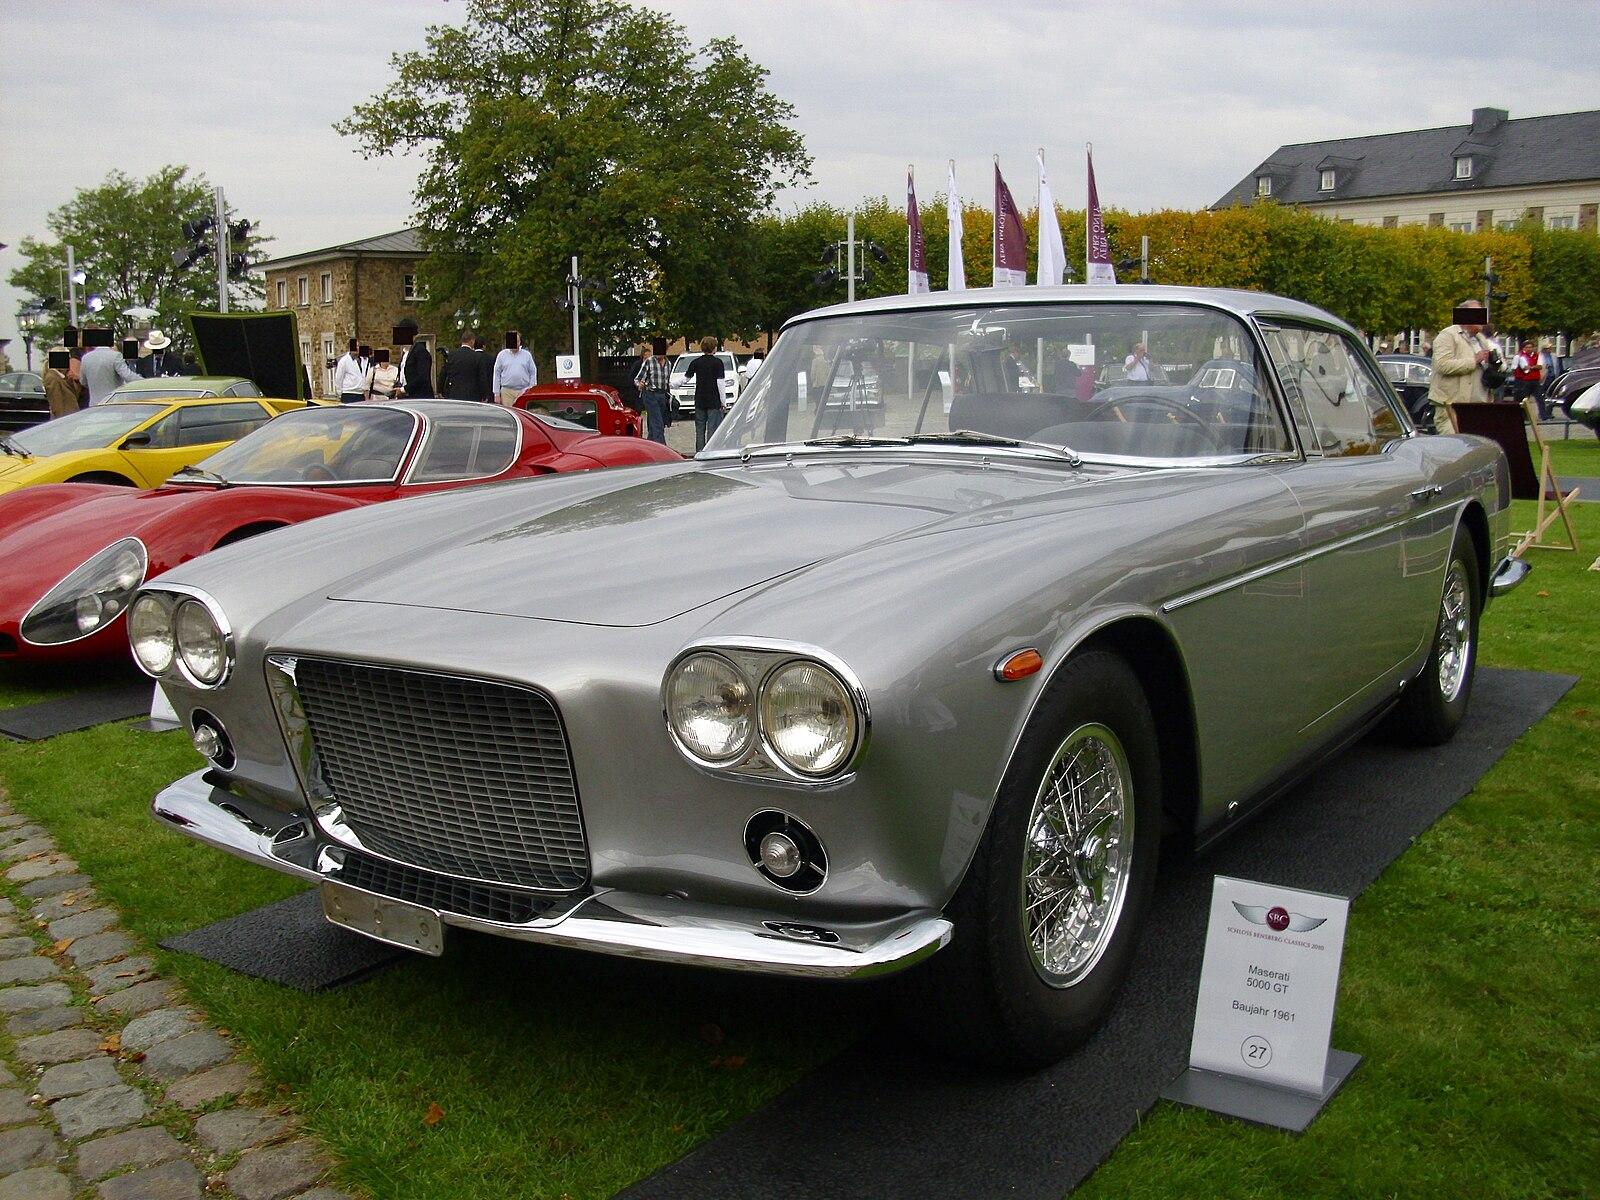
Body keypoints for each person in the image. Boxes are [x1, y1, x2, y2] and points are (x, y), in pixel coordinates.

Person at [1428, 301, 1491, 433]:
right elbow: (1442, 365)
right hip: (1451, 408)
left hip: (1478, 408)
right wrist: (1474, 361)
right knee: (1454, 444)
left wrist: (1495, 369)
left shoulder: (1481, 339)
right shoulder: (1447, 335)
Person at [684, 337, 727, 450]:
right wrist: (723, 401)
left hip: (700, 399)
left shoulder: (696, 362)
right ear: (714, 348)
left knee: (700, 429)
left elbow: (686, 378)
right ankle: (710, 451)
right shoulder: (718, 363)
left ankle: (699, 451)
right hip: (714, 400)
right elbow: (720, 383)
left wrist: (672, 384)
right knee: (712, 428)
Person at [79, 332, 139, 405]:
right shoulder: (116, 356)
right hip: (113, 403)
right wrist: (145, 381)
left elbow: (83, 381)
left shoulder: (86, 357)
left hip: (94, 404)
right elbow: (127, 376)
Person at [634, 337, 672, 444]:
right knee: (658, 423)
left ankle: (650, 445)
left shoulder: (668, 364)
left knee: (655, 424)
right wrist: (640, 384)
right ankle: (662, 447)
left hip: (662, 394)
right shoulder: (649, 362)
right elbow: (637, 379)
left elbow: (667, 382)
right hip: (650, 394)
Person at [493, 331, 536, 405]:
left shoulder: (527, 355)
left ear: (520, 342)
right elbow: (497, 374)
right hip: (507, 392)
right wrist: (496, 393)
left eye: (517, 341)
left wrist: (531, 389)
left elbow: (533, 372)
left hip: (524, 391)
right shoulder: (501, 355)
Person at [42, 349, 82, 419]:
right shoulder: (52, 378)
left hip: (71, 417)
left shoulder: (62, 377)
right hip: (64, 419)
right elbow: (57, 405)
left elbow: (75, 397)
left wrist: (74, 381)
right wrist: (62, 421)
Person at [1512, 340, 1542, 415]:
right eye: (1527, 347)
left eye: (1530, 347)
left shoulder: (1537, 355)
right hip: (1524, 380)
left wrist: (1531, 367)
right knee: (1523, 398)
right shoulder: (1519, 356)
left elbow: (1540, 366)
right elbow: (1515, 368)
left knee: (1540, 398)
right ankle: (1522, 414)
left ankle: (1543, 415)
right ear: (1524, 348)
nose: (1529, 349)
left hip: (1535, 379)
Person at [333, 338, 366, 404]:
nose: (357, 348)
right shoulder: (344, 361)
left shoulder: (363, 360)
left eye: (358, 346)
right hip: (348, 394)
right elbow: (339, 378)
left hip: (361, 394)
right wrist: (340, 393)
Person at [1537, 340, 1560, 419]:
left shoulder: (1553, 356)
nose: (1549, 349)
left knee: (1552, 396)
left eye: (1550, 348)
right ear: (1544, 349)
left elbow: (1557, 367)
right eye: (1548, 348)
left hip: (1552, 377)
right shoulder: (1539, 356)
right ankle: (1542, 413)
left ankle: (1549, 412)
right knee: (1542, 396)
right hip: (1543, 378)